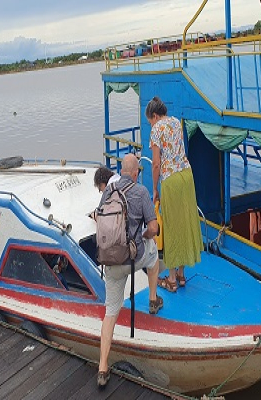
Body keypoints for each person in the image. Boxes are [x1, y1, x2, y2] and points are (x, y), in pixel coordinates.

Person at [96, 154, 161, 388]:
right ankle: (153, 300)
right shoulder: (142, 191)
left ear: (121, 171)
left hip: (110, 261)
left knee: (110, 312)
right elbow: (152, 228)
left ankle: (103, 367)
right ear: (135, 173)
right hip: (133, 257)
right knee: (153, 256)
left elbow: (98, 216)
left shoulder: (108, 190)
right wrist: (143, 235)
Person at [146, 96, 203, 292]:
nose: (150, 125)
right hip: (186, 176)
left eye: (150, 121)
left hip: (170, 180)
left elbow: (155, 164)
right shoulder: (176, 123)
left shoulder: (156, 129)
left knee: (171, 225)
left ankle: (170, 279)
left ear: (154, 116)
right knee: (185, 222)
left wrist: (154, 189)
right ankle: (181, 274)